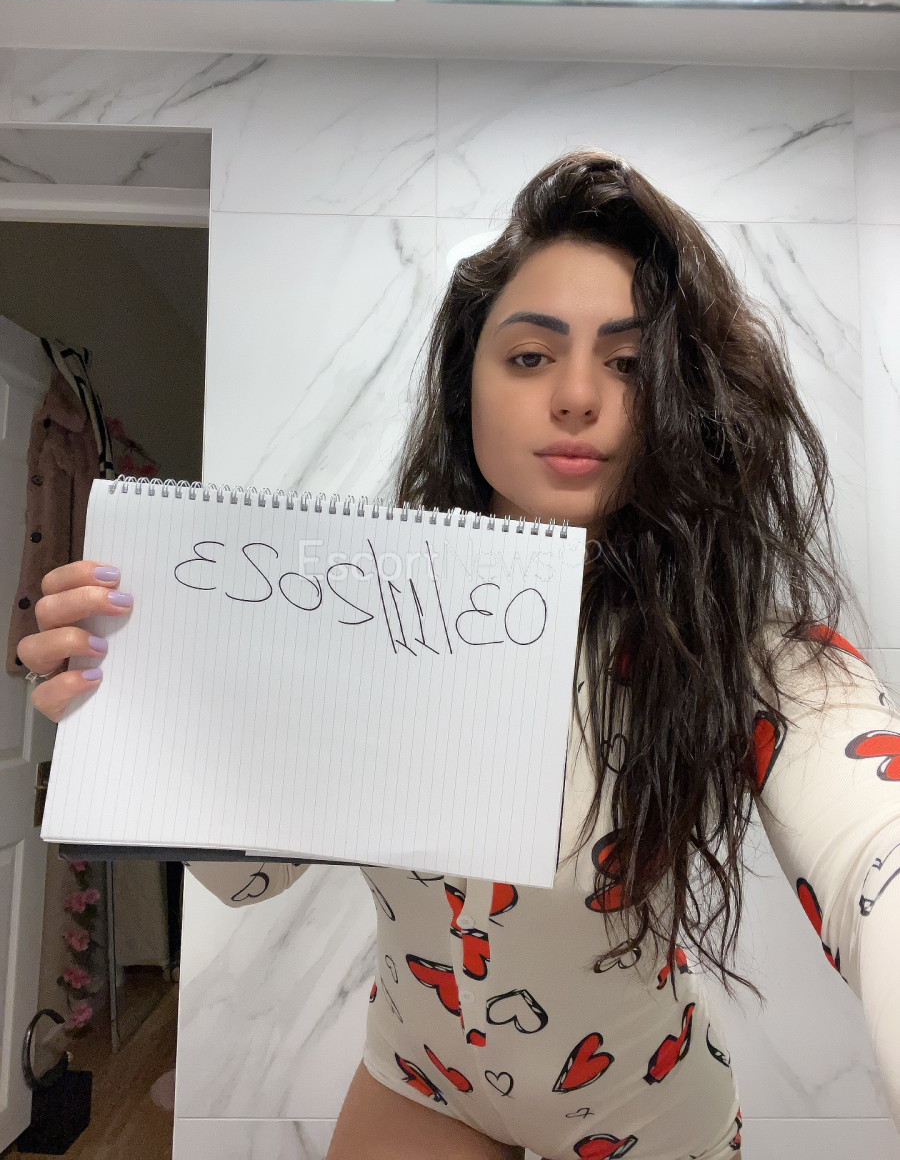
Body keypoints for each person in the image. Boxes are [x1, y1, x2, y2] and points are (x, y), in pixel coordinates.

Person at [18, 150, 900, 1160]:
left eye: (629, 362)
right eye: (529, 356)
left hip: (641, 1108)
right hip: (421, 1076)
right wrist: (136, 714)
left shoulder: (745, 650)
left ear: (681, 398)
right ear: (465, 386)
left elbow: (874, 848)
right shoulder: (366, 615)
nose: (578, 395)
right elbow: (257, 878)